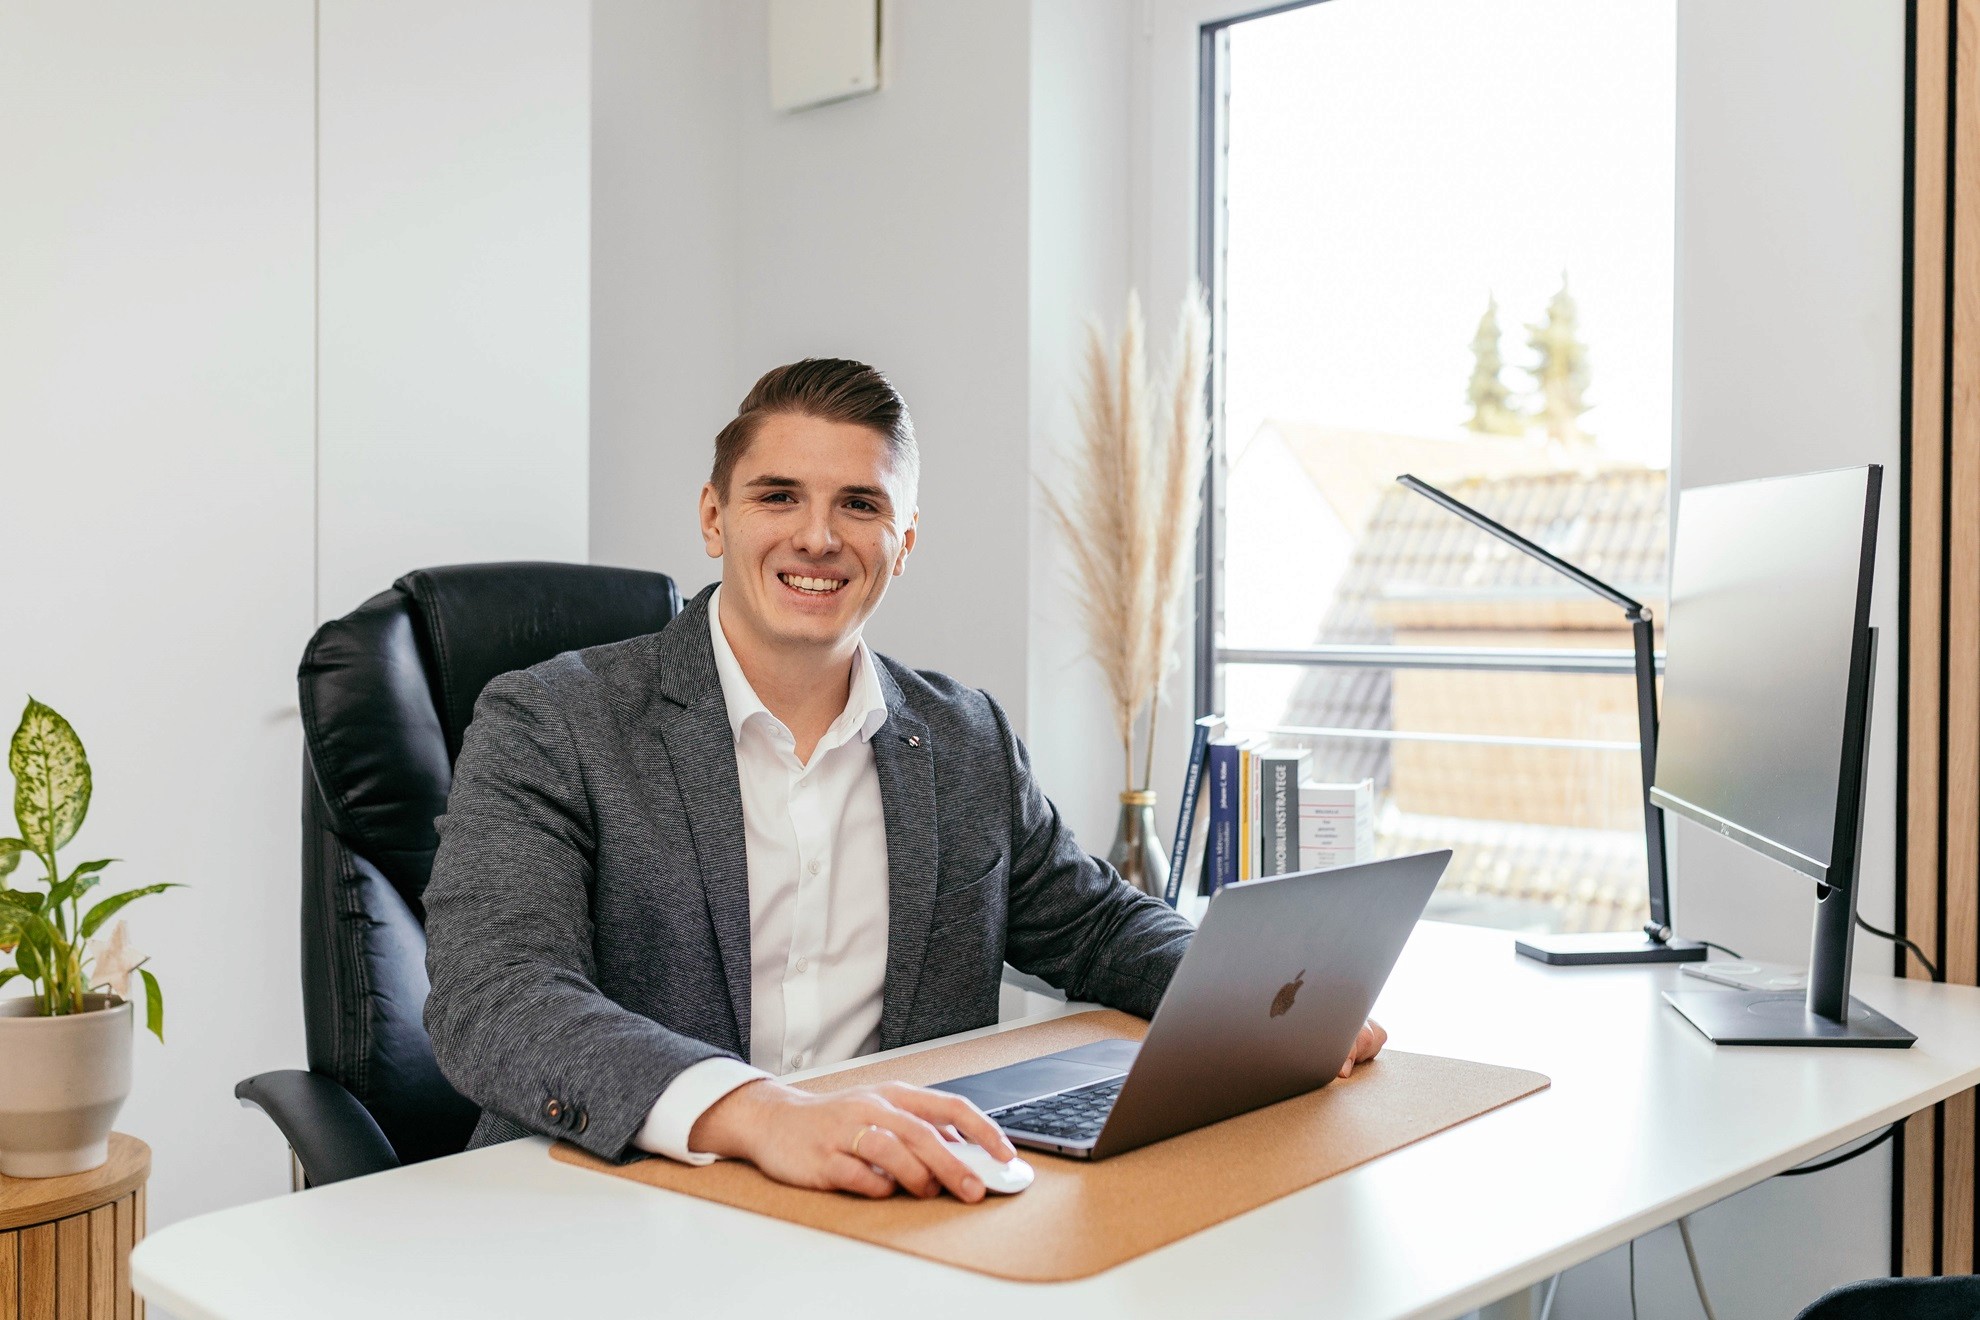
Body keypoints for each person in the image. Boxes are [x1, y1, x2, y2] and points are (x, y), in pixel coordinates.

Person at [423, 358, 1386, 1204]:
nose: (818, 537)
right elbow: (497, 998)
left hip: (891, 1205)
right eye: (777, 496)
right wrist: (762, 1114)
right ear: (714, 517)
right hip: (614, 1202)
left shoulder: (964, 737)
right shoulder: (552, 721)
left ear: (906, 539)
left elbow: (1094, 926)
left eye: (861, 504)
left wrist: (1260, 998)